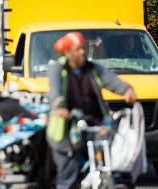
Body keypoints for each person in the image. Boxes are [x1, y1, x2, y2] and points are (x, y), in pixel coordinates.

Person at [47, 32, 137, 189]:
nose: (83, 52)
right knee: (68, 176)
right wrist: (59, 107)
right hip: (66, 131)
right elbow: (55, 93)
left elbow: (111, 80)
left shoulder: (92, 69)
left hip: (94, 125)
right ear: (68, 52)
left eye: (84, 48)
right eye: (78, 49)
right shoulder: (58, 69)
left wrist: (127, 90)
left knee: (111, 167)